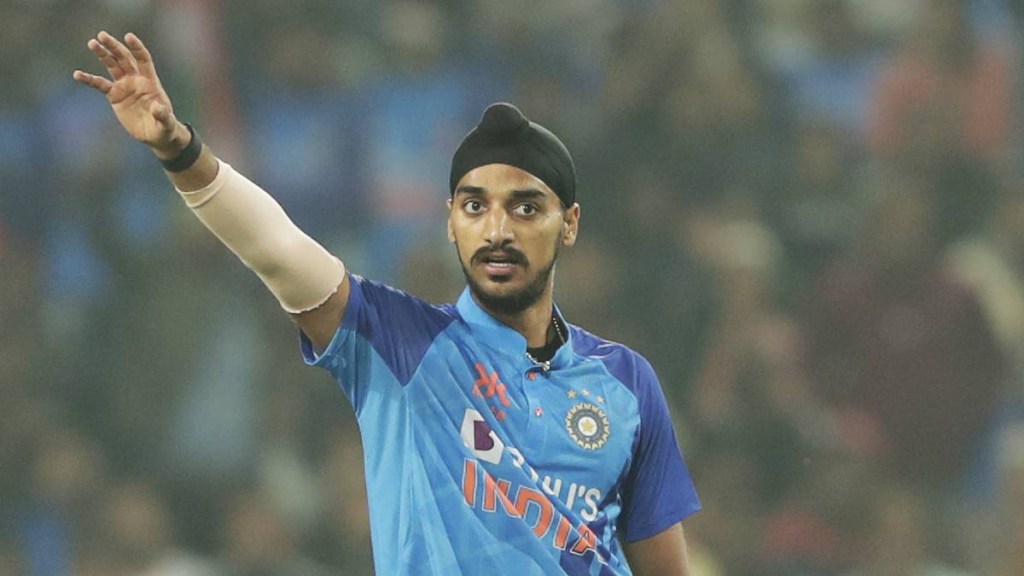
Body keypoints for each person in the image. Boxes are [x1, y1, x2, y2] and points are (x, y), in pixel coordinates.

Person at [73, 31, 700, 575]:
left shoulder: (626, 382)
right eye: (475, 206)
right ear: (450, 223)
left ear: (570, 225)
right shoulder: (401, 342)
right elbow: (278, 249)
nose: (498, 230)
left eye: (526, 207)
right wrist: (179, 148)